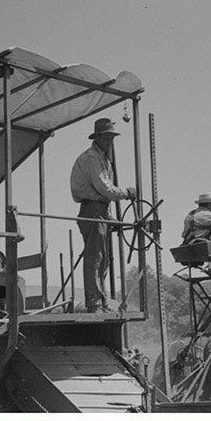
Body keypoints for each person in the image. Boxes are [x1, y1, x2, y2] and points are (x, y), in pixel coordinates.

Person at [69, 117, 136, 312]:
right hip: (92, 210)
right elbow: (105, 189)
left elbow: (104, 194)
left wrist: (110, 218)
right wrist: (127, 193)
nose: (110, 142)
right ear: (97, 137)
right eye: (107, 138)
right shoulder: (92, 158)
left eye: (112, 138)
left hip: (100, 210)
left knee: (103, 258)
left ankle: (101, 299)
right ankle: (95, 302)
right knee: (96, 257)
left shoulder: (103, 159)